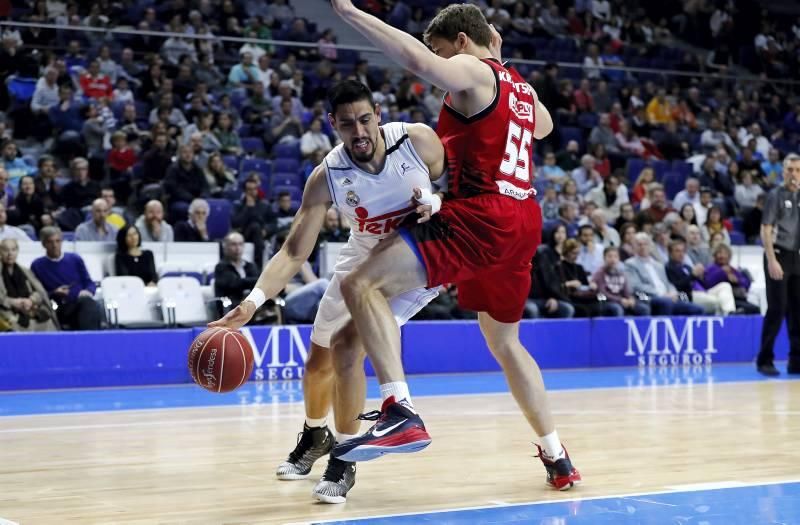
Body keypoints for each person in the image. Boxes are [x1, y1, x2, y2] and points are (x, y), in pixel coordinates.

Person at [328, 1, 580, 487]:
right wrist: (500, 63)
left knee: (360, 285)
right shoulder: (519, 87)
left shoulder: (471, 68)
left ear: (462, 43)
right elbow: (543, 127)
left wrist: (353, 14)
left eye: (442, 50)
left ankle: (399, 409)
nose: (441, 66)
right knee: (504, 342)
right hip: (523, 219)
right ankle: (556, 456)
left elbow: (422, 65)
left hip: (483, 215)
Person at [209, 80, 444, 503]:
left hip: (417, 256)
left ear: (379, 113)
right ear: (333, 125)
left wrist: (439, 200)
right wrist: (252, 302)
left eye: (366, 120)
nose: (360, 132)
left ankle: (344, 455)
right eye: (348, 124)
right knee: (318, 359)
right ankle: (316, 434)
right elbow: (295, 251)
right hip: (364, 255)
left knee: (346, 344)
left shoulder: (418, 142)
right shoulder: (327, 176)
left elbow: (467, 188)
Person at [757, 154, 800, 376]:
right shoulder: (775, 195)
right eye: (790, 170)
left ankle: (796, 361)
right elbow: (765, 229)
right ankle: (764, 360)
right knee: (777, 308)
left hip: (797, 257)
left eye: (798, 170)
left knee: (797, 311)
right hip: (778, 255)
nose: (794, 174)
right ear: (783, 172)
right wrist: (771, 260)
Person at [30, 227, 103, 330]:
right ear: (43, 244)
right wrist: (54, 292)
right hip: (56, 307)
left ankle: (89, 339)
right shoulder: (37, 265)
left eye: (57, 241)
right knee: (88, 306)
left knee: (88, 303)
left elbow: (89, 283)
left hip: (79, 302)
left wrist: (88, 291)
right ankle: (89, 340)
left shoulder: (75, 259)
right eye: (50, 242)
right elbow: (36, 292)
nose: (55, 245)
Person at [625, 233, 704, 316]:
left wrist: (673, 292)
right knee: (666, 302)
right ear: (634, 247)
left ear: (650, 246)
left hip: (667, 296)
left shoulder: (658, 265)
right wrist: (661, 294)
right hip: (647, 297)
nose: (643, 247)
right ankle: (663, 328)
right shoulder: (630, 264)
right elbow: (636, 286)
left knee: (697, 309)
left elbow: (667, 283)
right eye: (639, 244)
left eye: (645, 244)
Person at [0, 239, 58, 332]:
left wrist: (31, 300)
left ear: (17, 251)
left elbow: (39, 292)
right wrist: (12, 302)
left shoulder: (25, 271)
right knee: (12, 323)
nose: (10, 253)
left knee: (47, 321)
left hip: (29, 309)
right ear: (0, 251)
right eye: (6, 250)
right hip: (6, 311)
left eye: (13, 250)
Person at [665, 240, 735, 315]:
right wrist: (693, 275)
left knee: (725, 286)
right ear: (670, 253)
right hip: (688, 295)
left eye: (683, 251)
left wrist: (701, 276)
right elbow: (678, 286)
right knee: (718, 301)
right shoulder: (670, 267)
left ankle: (731, 313)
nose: (681, 254)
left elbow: (703, 283)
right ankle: (727, 318)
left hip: (702, 291)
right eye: (677, 251)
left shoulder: (686, 267)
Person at [592, 246, 650, 316]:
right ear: (604, 258)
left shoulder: (621, 273)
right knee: (617, 308)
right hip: (607, 302)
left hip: (622, 300)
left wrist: (630, 299)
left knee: (643, 308)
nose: (613, 259)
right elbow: (603, 292)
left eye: (615, 257)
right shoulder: (600, 273)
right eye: (610, 256)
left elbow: (626, 291)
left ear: (619, 259)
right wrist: (620, 300)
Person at [213, 232, 260, 305]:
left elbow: (258, 284)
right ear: (225, 247)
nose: (238, 248)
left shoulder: (250, 266)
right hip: (232, 305)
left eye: (240, 244)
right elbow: (235, 283)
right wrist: (258, 280)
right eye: (233, 244)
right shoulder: (221, 267)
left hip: (252, 304)